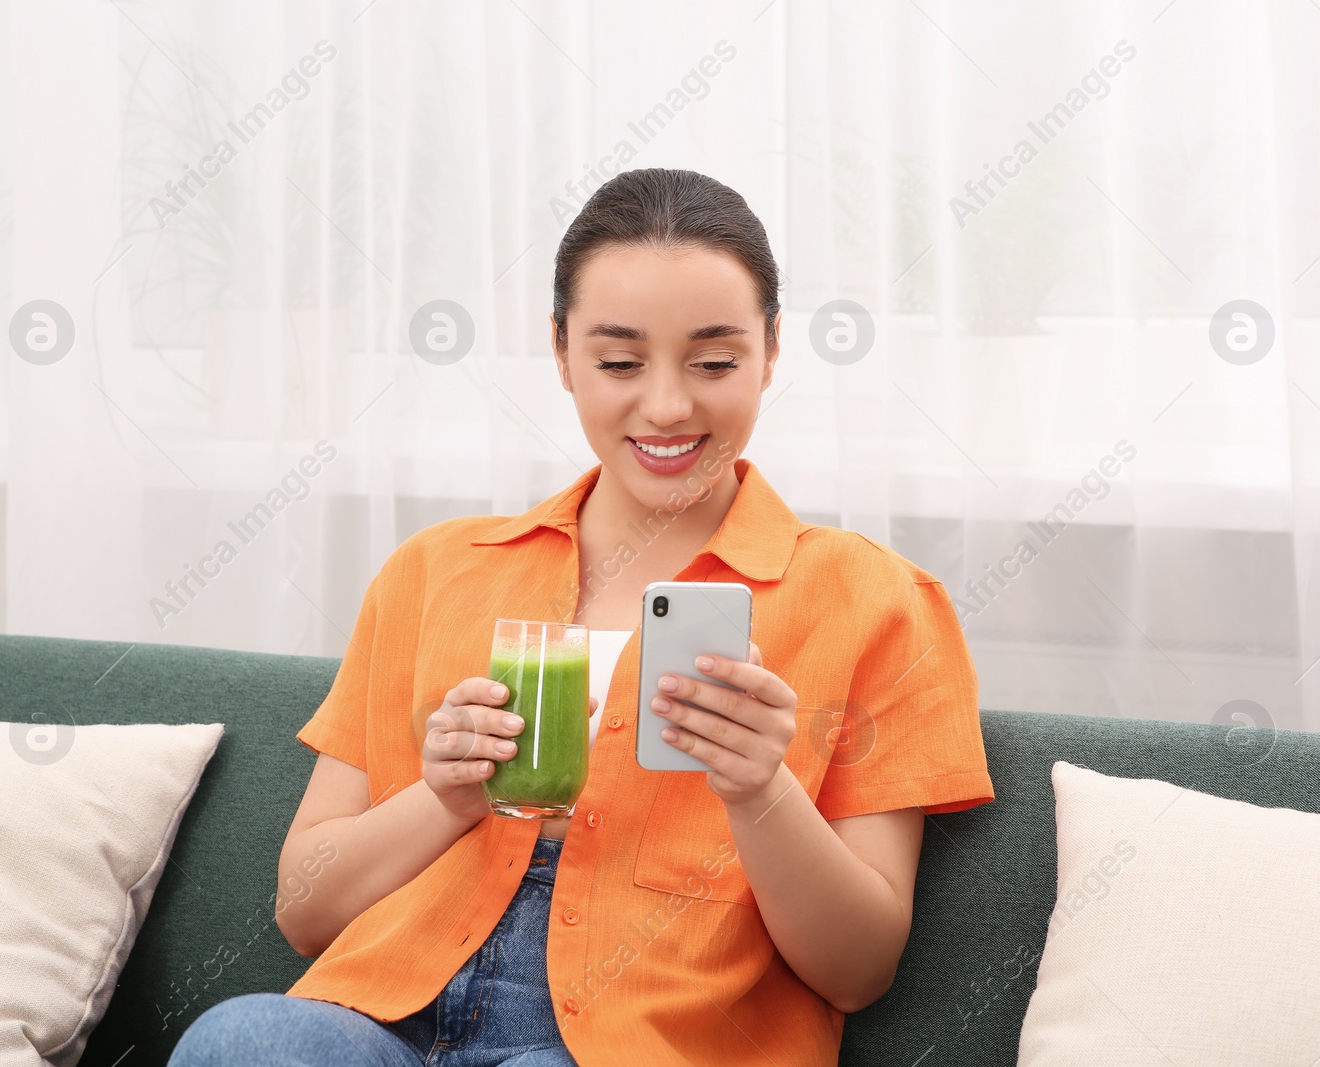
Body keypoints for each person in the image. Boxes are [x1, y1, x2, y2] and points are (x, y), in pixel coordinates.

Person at [168, 167, 994, 1067]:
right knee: (241, 1039)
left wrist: (762, 790)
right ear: (561, 352)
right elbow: (304, 907)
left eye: (715, 362)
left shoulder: (876, 603)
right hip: (381, 1021)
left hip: (641, 1045)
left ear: (772, 350)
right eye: (619, 361)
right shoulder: (435, 571)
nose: (670, 405)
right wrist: (446, 797)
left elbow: (856, 971)